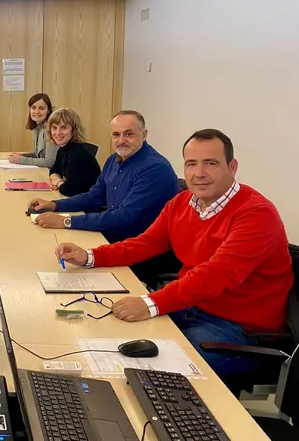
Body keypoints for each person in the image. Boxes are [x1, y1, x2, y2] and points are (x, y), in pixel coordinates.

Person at [56, 129, 293, 379]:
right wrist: (90, 256)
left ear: (232, 167)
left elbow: (217, 273)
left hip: (237, 328)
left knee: (157, 373)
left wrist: (152, 303)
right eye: (191, 164)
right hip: (189, 304)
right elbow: (144, 243)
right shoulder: (181, 203)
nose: (198, 173)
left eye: (210, 163)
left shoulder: (256, 213)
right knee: (110, 336)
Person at [29, 110, 179, 243]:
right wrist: (54, 205)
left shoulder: (155, 169)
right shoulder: (114, 160)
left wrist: (66, 221)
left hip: (138, 248)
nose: (121, 140)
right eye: (116, 134)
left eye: (129, 134)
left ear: (144, 135)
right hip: (112, 235)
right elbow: (94, 197)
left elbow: (124, 217)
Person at [44, 108, 100, 196]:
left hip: (89, 205)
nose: (58, 132)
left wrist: (58, 182)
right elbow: (54, 170)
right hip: (78, 199)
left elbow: (70, 190)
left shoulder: (77, 153)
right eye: (54, 128)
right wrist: (57, 179)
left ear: (73, 130)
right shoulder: (63, 149)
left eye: (63, 128)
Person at [8, 93, 58, 168]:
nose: (36, 111)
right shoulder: (37, 127)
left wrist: (20, 160)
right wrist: (21, 156)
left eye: (41, 108)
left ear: (48, 110)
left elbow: (49, 162)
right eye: (33, 107)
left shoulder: (51, 129)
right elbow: (37, 154)